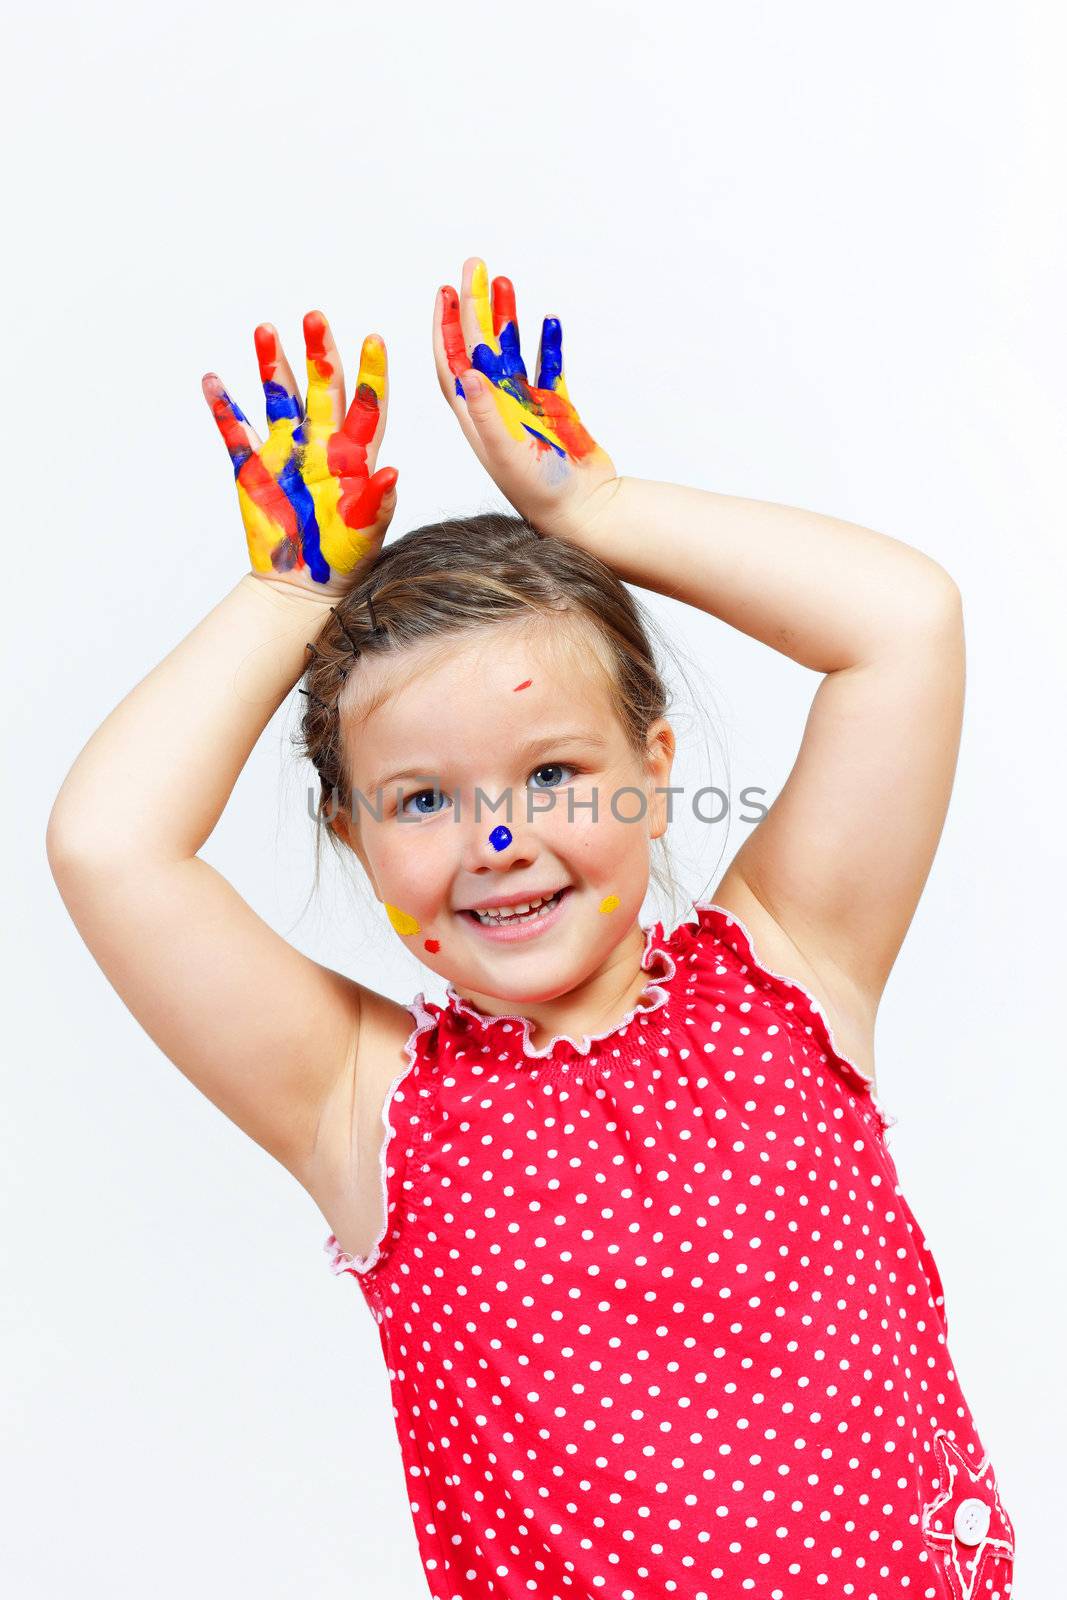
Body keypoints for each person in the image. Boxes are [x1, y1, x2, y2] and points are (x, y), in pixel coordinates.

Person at [46, 256, 1016, 1599]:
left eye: (553, 773)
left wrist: (595, 505)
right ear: (353, 837)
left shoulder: (795, 967)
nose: (499, 838)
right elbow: (108, 845)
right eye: (425, 799)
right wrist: (285, 599)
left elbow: (906, 625)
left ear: (655, 766)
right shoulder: (364, 1106)